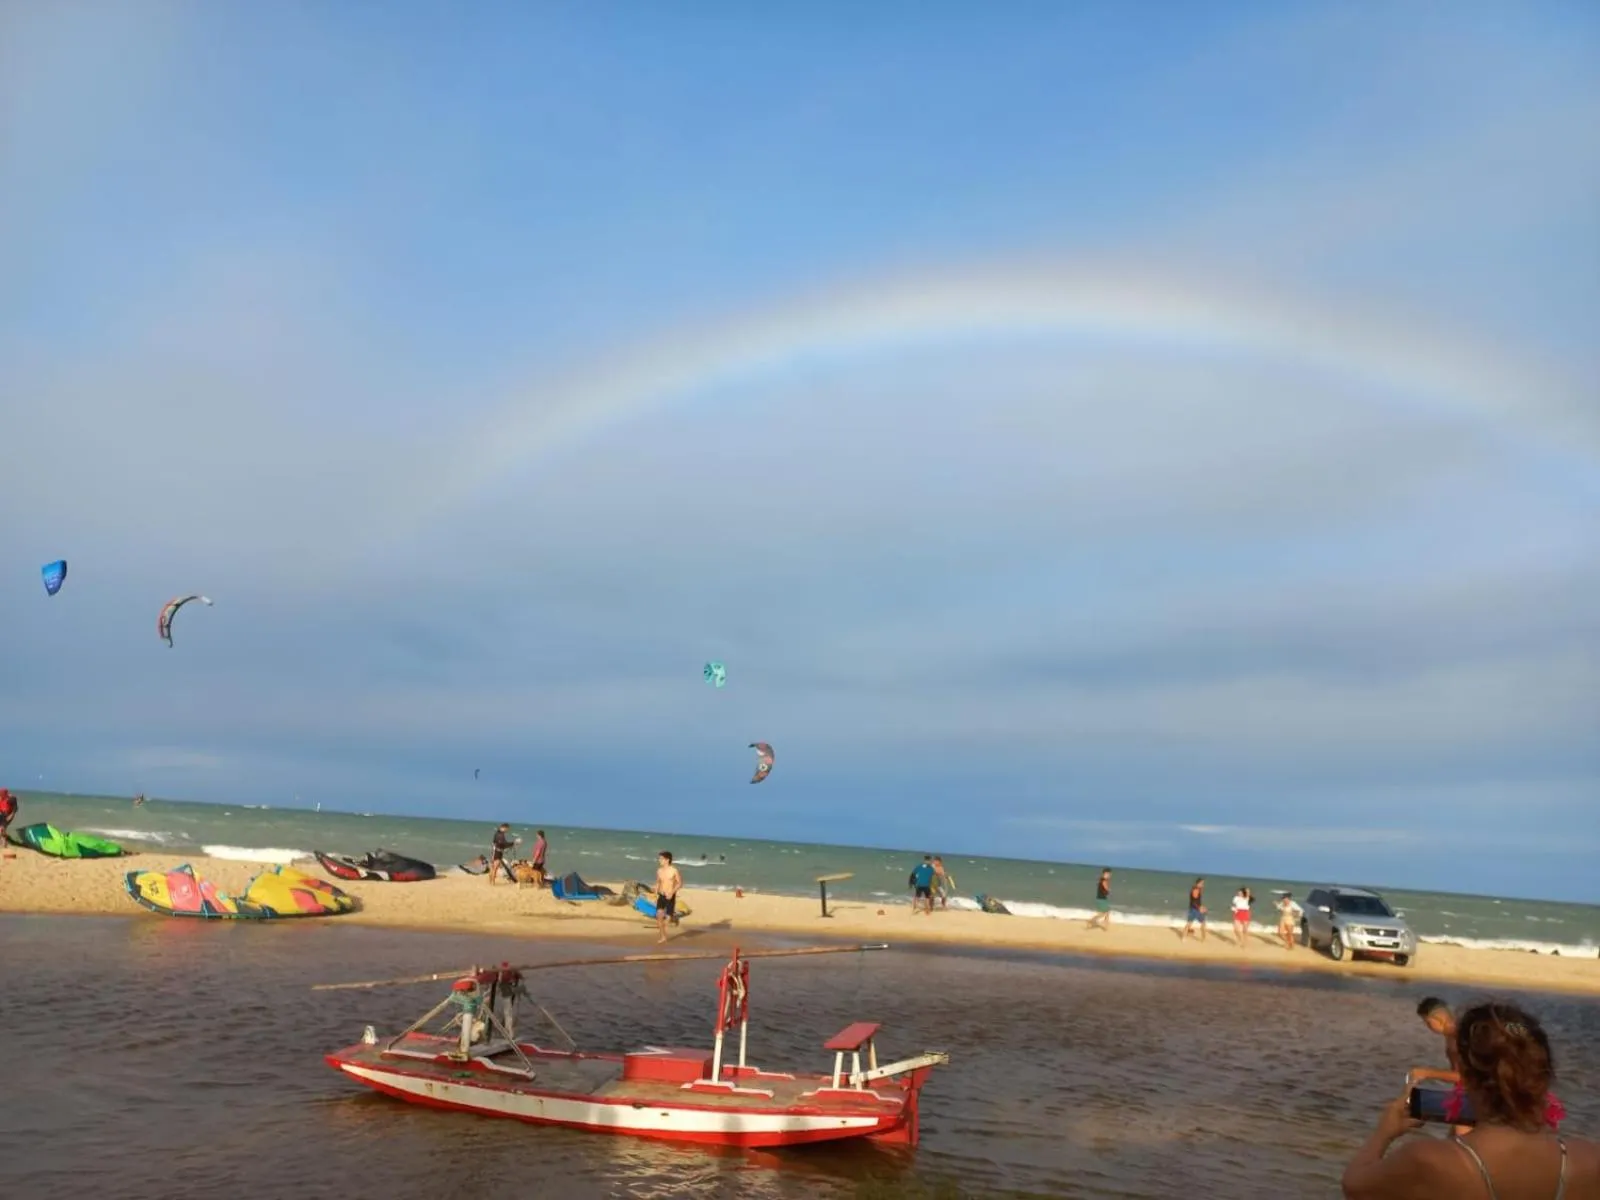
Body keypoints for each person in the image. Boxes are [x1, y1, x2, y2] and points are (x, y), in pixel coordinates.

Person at [1341, 1000, 1595, 1198]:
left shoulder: (1429, 1160)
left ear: (1468, 1077)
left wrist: (1384, 1132)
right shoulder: (1590, 1160)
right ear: (1543, 1077)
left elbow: (1354, 1186)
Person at [654, 851, 682, 944]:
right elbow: (658, 882)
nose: (659, 860)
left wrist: (672, 892)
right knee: (659, 916)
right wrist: (656, 891)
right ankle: (663, 937)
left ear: (667, 860)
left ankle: (671, 918)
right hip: (661, 896)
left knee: (668, 919)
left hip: (670, 896)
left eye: (661, 859)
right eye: (659, 858)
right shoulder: (659, 871)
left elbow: (679, 883)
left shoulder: (674, 870)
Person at [0, 788, 16, 860]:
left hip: (7, 816)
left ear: (5, 794)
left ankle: (4, 844)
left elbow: (14, 810)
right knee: (2, 830)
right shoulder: (1, 798)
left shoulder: (11, 799)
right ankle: (4, 843)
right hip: (1, 815)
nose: (1, 795)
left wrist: (10, 816)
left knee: (2, 829)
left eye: (2, 794)